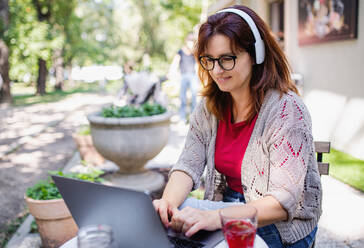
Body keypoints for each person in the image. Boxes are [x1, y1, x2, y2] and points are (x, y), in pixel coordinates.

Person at [153, 5, 322, 248]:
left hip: (279, 226)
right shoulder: (209, 108)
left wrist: (216, 217)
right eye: (209, 60)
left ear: (256, 54)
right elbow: (188, 164)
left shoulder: (286, 110)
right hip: (226, 209)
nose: (216, 70)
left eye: (226, 59)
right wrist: (167, 203)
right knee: (167, 225)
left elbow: (282, 201)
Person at [170, 33, 199, 122]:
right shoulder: (181, 51)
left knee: (194, 98)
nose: (190, 42)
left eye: (192, 40)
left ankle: (193, 119)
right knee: (182, 97)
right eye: (189, 40)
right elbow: (175, 62)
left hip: (193, 76)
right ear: (186, 41)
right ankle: (182, 118)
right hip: (183, 76)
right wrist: (172, 72)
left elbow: (198, 64)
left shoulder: (195, 52)